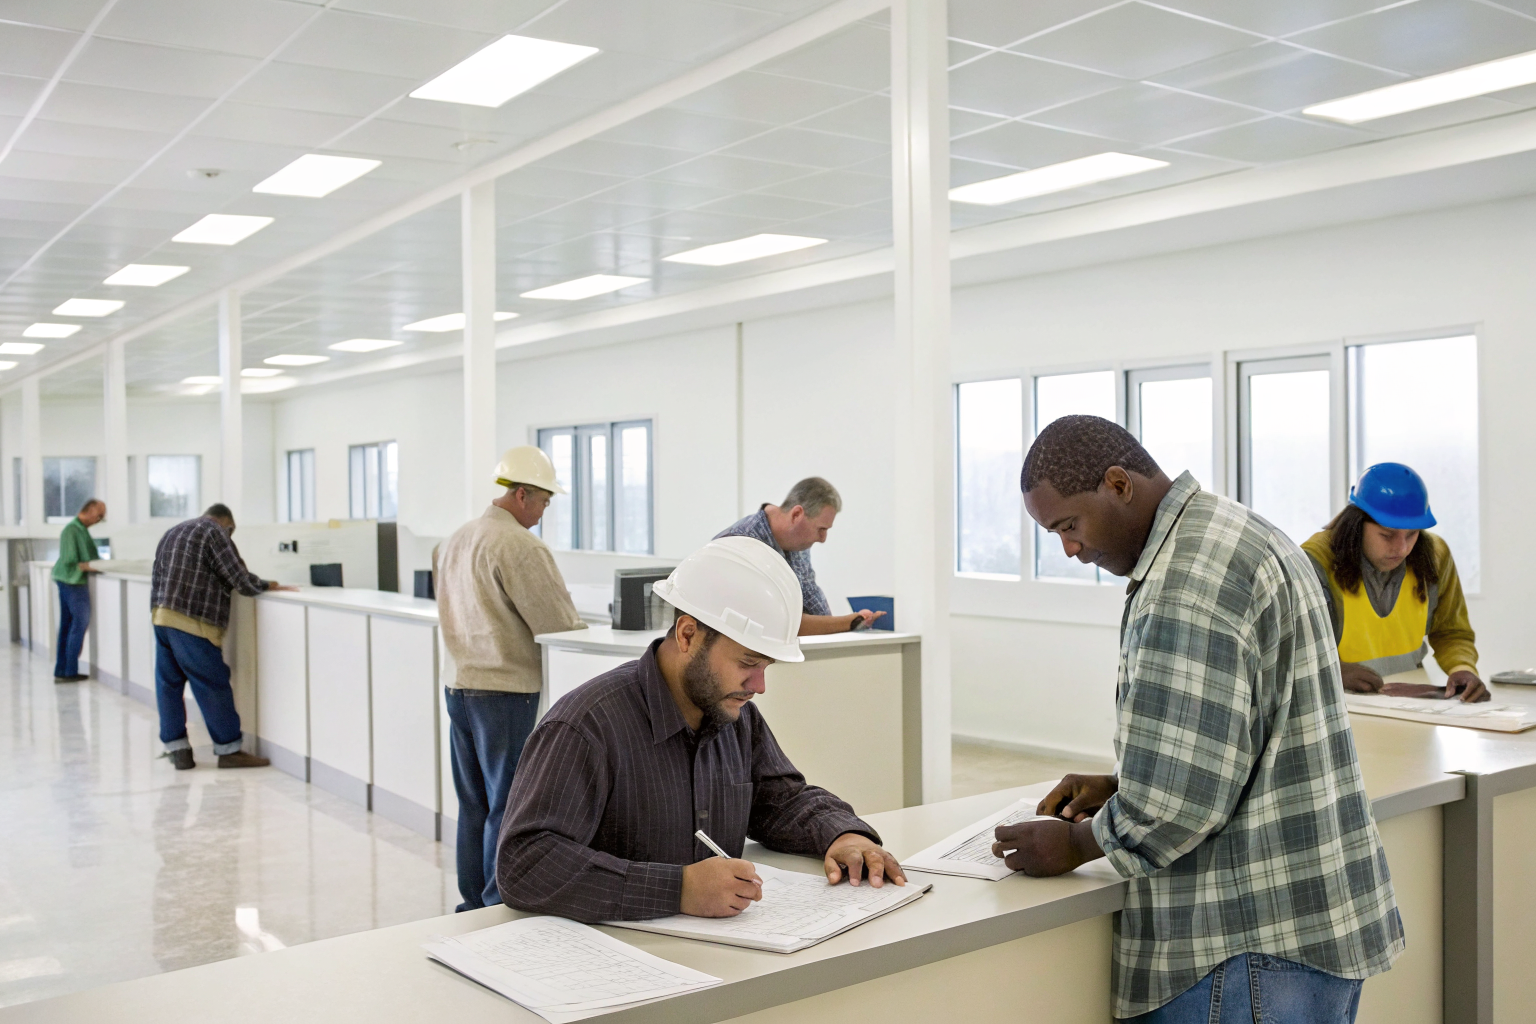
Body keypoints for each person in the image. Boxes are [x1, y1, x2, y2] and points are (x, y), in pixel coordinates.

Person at [998, 415, 1401, 1023]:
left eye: (1068, 525)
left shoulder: (1186, 580)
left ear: (1117, 484)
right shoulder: (1232, 532)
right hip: (1303, 926)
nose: (1070, 549)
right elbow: (1241, 739)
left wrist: (1078, 842)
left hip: (1242, 949)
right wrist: (1122, 783)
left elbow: (1179, 805)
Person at [496, 536, 904, 922]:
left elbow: (781, 800)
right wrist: (678, 889)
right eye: (747, 663)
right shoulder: (586, 725)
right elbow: (525, 862)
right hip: (609, 970)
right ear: (688, 634)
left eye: (766, 667)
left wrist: (842, 834)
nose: (759, 686)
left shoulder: (734, 717)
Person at [436, 445, 586, 913]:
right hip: (504, 693)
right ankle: (498, 902)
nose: (544, 510)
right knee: (507, 804)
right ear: (521, 494)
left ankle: (471, 904)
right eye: (543, 500)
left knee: (473, 803)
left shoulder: (454, 540)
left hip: (459, 686)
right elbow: (557, 625)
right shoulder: (521, 546)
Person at [1302, 462, 1487, 703]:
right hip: (1340, 705)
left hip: (1412, 703)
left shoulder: (1435, 555)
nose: (1401, 548)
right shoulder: (1315, 561)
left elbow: (1451, 631)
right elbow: (1287, 646)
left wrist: (1463, 668)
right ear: (1356, 524)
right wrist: (1329, 670)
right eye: (1387, 535)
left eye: (1412, 534)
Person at [152, 503, 294, 771]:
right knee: (212, 683)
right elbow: (239, 578)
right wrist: (267, 584)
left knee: (168, 685)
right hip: (193, 620)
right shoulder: (213, 531)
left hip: (162, 618)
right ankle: (229, 750)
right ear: (227, 525)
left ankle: (178, 750)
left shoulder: (173, 531)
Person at [714, 476, 884, 635]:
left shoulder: (798, 545)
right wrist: (847, 622)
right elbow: (773, 623)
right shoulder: (741, 542)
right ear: (796, 515)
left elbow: (813, 603)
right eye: (821, 529)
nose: (823, 539)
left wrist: (850, 623)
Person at [53, 498, 105, 683]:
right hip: (71, 582)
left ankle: (64, 671)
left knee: (68, 626)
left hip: (70, 581)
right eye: (99, 515)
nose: (100, 519)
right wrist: (89, 566)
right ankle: (68, 671)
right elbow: (70, 560)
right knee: (78, 624)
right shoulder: (72, 530)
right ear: (90, 510)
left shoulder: (81, 530)